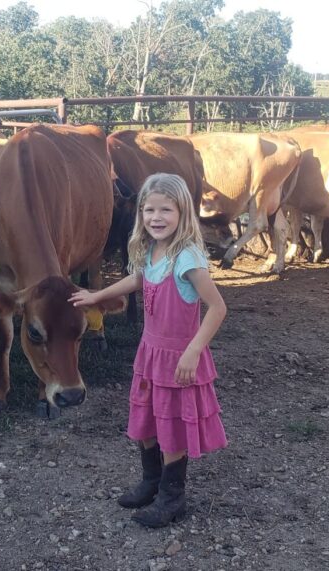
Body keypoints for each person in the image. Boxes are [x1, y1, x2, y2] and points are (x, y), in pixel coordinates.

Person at [69, 173, 227, 528]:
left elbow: (217, 309)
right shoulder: (152, 250)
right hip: (150, 353)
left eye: (165, 210)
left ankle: (173, 498)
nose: (156, 217)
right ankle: (151, 483)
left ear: (182, 212)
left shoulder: (188, 259)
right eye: (149, 210)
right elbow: (139, 279)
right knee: (147, 422)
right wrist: (97, 295)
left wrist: (193, 351)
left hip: (177, 359)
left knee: (170, 427)